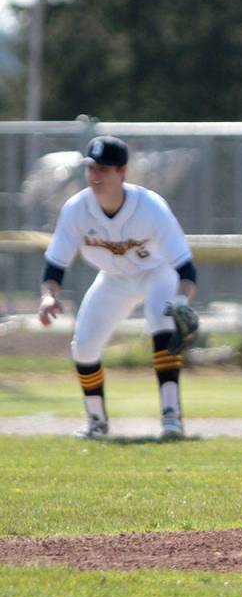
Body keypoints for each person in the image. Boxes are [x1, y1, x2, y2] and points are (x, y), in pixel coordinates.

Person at [38, 135, 198, 440]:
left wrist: (181, 300)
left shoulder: (151, 207)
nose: (95, 175)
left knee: (162, 322)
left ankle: (171, 417)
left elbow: (186, 270)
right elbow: (55, 264)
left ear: (122, 171)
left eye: (104, 169)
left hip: (156, 273)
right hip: (113, 279)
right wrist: (48, 297)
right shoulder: (77, 209)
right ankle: (96, 422)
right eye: (91, 167)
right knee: (84, 346)